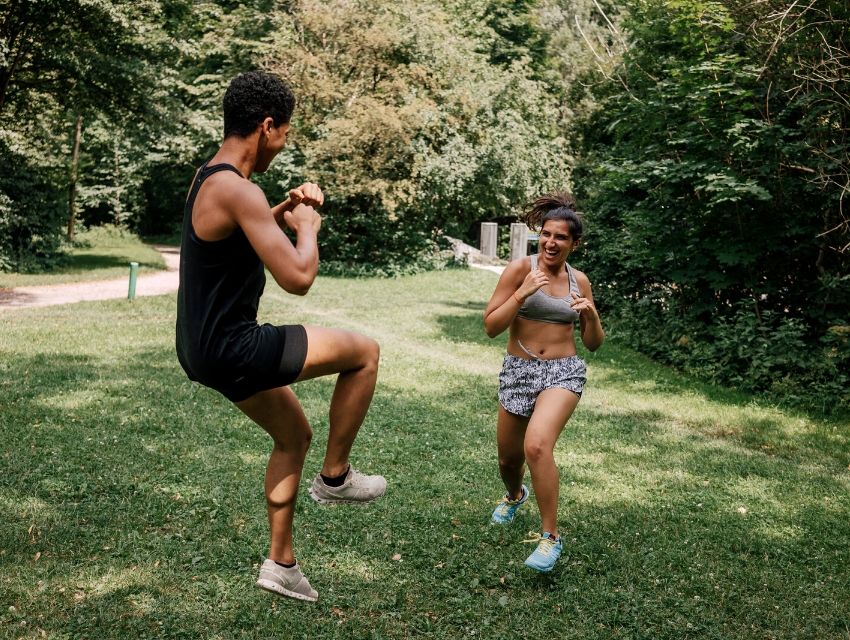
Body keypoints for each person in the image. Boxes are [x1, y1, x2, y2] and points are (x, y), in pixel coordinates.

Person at [175, 71, 386, 603]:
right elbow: (297, 278)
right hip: (233, 345)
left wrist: (277, 212)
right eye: (285, 133)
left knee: (293, 435)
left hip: (202, 348)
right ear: (267, 127)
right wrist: (307, 226)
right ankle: (334, 478)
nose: (284, 143)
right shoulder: (238, 189)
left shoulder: (211, 178)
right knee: (364, 353)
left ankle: (281, 564)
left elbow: (238, 237)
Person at [483, 192, 604, 573]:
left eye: (561, 237)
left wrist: (592, 316)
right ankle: (514, 494)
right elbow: (490, 326)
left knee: (537, 445)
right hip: (519, 370)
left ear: (574, 243)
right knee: (508, 458)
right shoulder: (520, 269)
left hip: (563, 372)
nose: (551, 242)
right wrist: (523, 292)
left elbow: (593, 343)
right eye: (546, 235)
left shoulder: (579, 281)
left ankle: (550, 538)